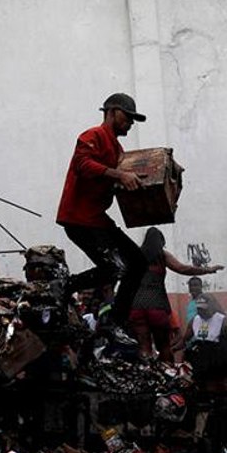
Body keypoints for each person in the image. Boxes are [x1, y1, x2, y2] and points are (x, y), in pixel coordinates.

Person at [56, 93, 148, 341]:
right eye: (127, 117)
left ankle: (115, 323)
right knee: (113, 268)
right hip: (77, 219)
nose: (130, 123)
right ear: (111, 112)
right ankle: (64, 286)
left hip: (97, 219)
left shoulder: (118, 150)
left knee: (138, 262)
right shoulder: (92, 136)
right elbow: (82, 165)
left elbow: (121, 178)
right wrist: (119, 175)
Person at [129, 227, 223, 360]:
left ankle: (147, 373)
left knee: (144, 346)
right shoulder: (162, 255)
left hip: (136, 306)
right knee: (164, 347)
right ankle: (167, 374)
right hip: (157, 306)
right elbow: (182, 268)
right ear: (160, 242)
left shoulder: (135, 255)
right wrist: (207, 270)